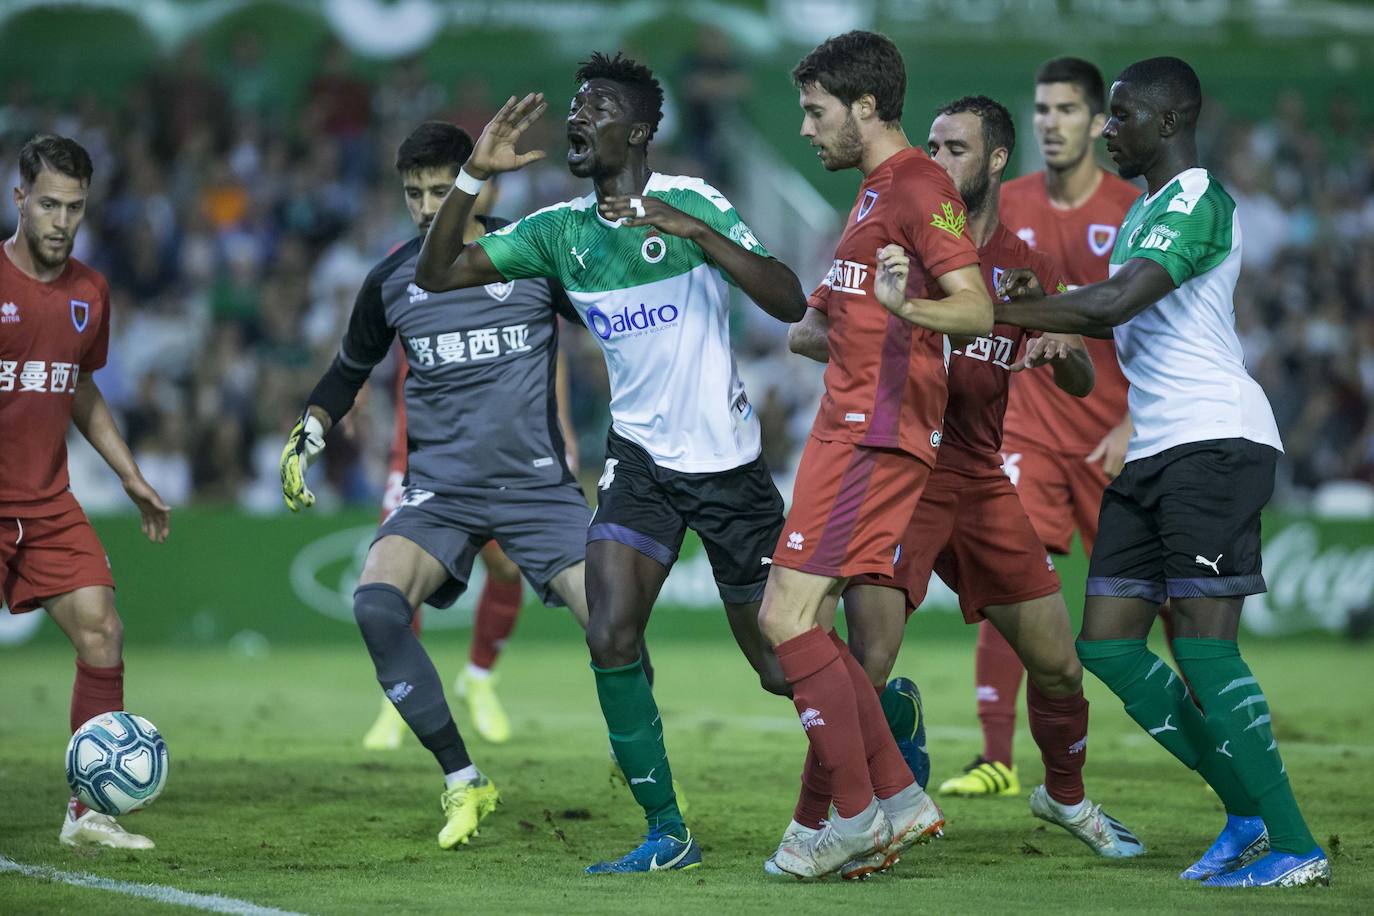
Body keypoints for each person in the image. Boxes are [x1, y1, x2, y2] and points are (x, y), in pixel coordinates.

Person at [414, 52, 805, 873]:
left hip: (730, 467)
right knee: (609, 631)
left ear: (640, 129)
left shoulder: (692, 200)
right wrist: (469, 182)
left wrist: (697, 234)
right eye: (573, 107)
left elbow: (787, 297)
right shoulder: (560, 232)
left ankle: (890, 714)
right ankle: (669, 829)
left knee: (779, 667)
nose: (575, 119)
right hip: (640, 464)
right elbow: (438, 271)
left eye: (594, 107)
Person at [994, 56, 1328, 888]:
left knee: (1203, 652)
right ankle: (1247, 810)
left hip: (1215, 441)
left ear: (1170, 122)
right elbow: (1113, 306)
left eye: (1122, 114)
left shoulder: (1196, 199)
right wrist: (1047, 295)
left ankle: (1295, 844)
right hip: (1155, 452)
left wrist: (992, 307)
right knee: (1105, 646)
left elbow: (1112, 307)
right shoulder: (1148, 210)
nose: (1108, 129)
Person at [833, 96, 1143, 859]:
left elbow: (1074, 376)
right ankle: (839, 819)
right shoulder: (893, 238)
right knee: (866, 664)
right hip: (901, 473)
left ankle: (1063, 797)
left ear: (997, 160)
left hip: (977, 477)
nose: (936, 162)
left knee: (1060, 666)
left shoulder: (1024, 267)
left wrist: (1059, 352)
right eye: (931, 146)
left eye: (956, 149)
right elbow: (818, 334)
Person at [281, 121, 594, 850]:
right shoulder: (391, 279)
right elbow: (347, 371)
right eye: (415, 192)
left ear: (482, 182)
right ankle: (463, 778)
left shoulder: (539, 255)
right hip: (441, 494)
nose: (427, 206)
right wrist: (312, 428)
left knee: (612, 626)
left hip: (537, 490)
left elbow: (615, 327)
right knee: (376, 603)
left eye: (441, 188)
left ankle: (650, 788)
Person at [759, 31, 993, 880]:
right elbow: (835, 323)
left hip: (874, 433)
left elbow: (974, 311)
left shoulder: (920, 186)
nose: (806, 129)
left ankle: (854, 816)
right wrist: (820, 323)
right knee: (816, 631)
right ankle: (895, 796)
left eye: (816, 111)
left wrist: (904, 310)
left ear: (865, 106)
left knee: (785, 620)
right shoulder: (871, 197)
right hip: (851, 426)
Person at [942, 57, 1143, 800]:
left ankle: (1213, 730)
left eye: (1066, 110)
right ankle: (997, 756)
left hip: (1115, 432)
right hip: (1023, 430)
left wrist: (1134, 419)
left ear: (1098, 123)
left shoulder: (1132, 208)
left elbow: (1164, 325)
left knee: (1150, 601)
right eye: (1041, 109)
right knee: (1012, 579)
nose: (1050, 123)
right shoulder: (1004, 202)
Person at [0, 135, 171, 849]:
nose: (60, 221)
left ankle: (85, 814)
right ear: (19, 199)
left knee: (102, 630)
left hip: (44, 501)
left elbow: (79, 387)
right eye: (47, 204)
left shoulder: (89, 293)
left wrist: (130, 475)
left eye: (73, 207)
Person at [361, 297, 581, 751]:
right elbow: (364, 336)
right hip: (419, 451)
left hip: (501, 449)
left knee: (505, 567)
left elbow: (547, 350)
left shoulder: (509, 259)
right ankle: (395, 704)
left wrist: (565, 430)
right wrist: (350, 392)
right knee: (399, 574)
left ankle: (479, 677)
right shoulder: (402, 268)